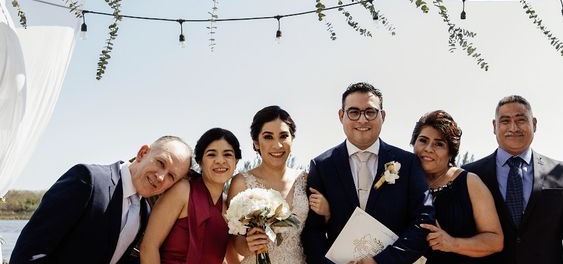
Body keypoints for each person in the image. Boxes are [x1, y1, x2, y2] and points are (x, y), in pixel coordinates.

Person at [302, 82, 434, 264]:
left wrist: (382, 261)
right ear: (341, 116)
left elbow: (423, 221)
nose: (362, 120)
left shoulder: (408, 163)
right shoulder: (322, 165)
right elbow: (312, 231)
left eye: (370, 112)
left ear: (383, 115)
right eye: (354, 112)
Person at [11, 136, 192, 264]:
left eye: (171, 176)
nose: (161, 177)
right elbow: (30, 252)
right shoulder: (88, 179)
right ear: (143, 153)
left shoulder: (145, 213)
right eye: (160, 163)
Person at [463, 95, 563, 264]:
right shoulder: (469, 174)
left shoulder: (562, 173)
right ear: (494, 126)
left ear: (534, 124)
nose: (513, 127)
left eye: (521, 120)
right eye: (505, 121)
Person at [228, 106, 329, 263]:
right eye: (268, 137)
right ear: (256, 143)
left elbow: (317, 231)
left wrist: (327, 212)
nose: (278, 145)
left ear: (291, 140)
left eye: (283, 136)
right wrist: (249, 244)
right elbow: (234, 241)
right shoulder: (241, 182)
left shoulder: (306, 180)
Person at [410, 110, 503, 263]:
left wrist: (452, 243)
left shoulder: (470, 183)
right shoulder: (403, 180)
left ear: (451, 152)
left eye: (439, 144)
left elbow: (495, 241)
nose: (428, 148)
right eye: (423, 140)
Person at [140, 128, 242, 264]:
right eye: (211, 154)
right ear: (200, 161)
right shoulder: (182, 190)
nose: (220, 161)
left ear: (236, 162)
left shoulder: (231, 206)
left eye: (227, 155)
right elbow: (149, 247)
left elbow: (233, 258)